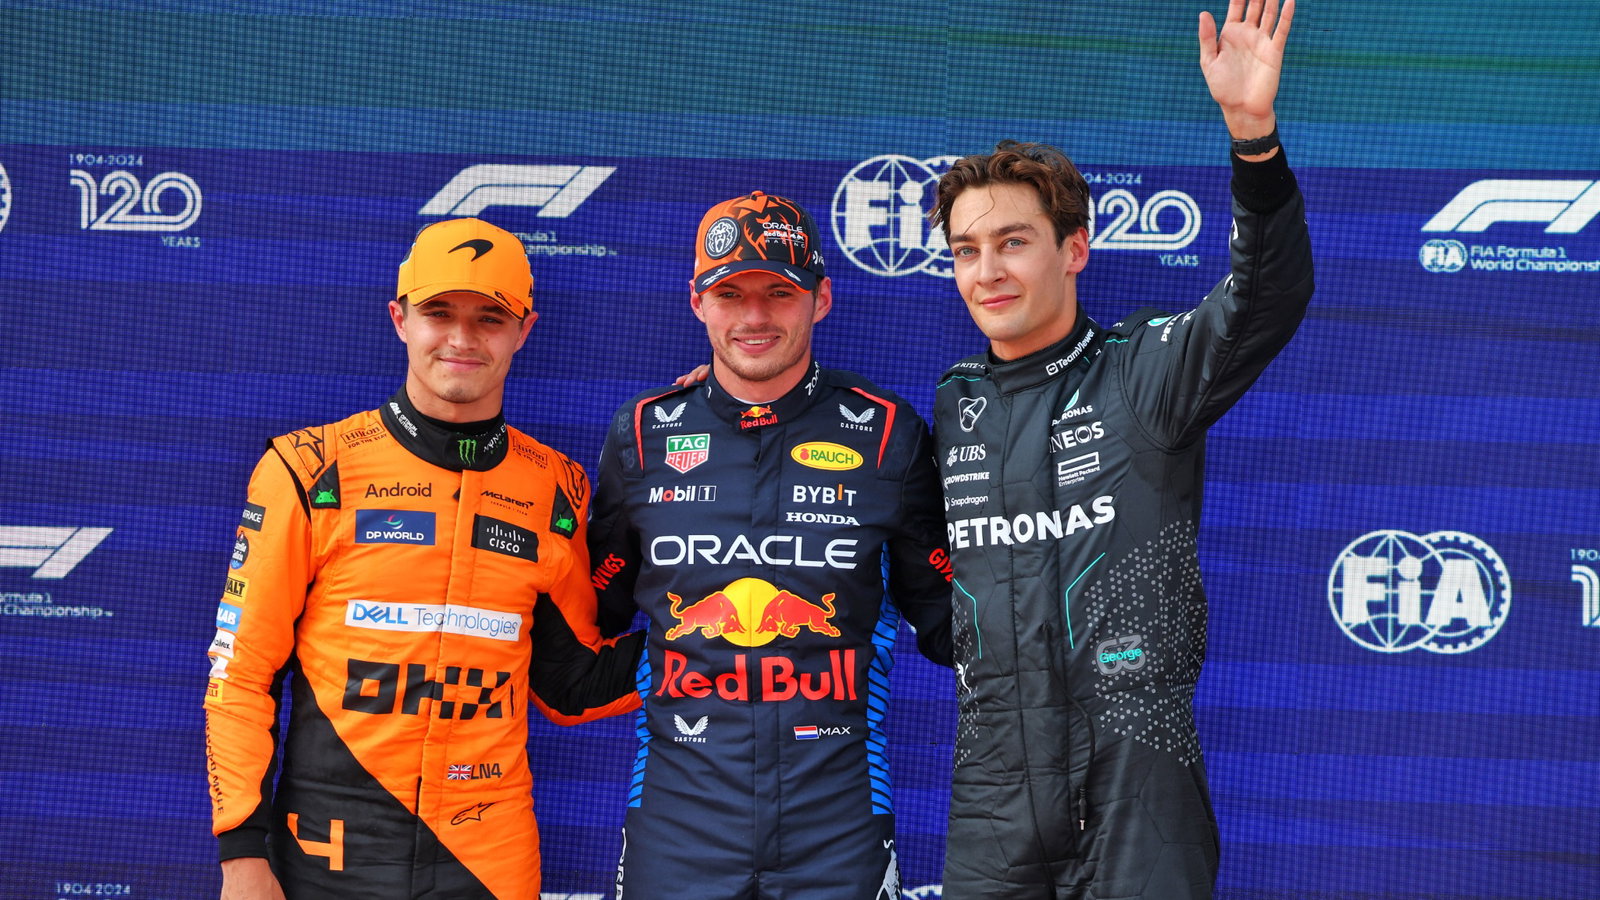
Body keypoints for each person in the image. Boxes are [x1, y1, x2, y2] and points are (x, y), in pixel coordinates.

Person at [925, 1, 1311, 897]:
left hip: (1139, 781)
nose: (988, 271)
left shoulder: (1143, 372)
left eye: (1013, 243)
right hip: (993, 798)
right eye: (967, 250)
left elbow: (1266, 295)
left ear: (1076, 250)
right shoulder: (955, 407)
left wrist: (1253, 138)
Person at [203, 217, 643, 900]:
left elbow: (570, 686)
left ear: (523, 330)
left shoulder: (557, 487)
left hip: (489, 862)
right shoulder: (308, 471)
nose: (463, 339)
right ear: (399, 318)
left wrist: (707, 644)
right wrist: (241, 856)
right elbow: (240, 677)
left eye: (489, 318)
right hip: (325, 857)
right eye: (439, 312)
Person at [586, 191, 954, 899]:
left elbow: (950, 622)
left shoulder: (887, 434)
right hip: (676, 821)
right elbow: (589, 619)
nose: (754, 317)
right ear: (697, 303)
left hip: (837, 823)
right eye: (731, 294)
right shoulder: (641, 435)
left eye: (779, 293)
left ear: (821, 298)